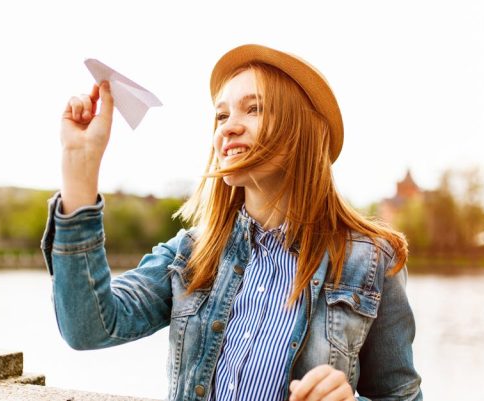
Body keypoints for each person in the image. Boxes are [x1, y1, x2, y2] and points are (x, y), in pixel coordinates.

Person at [41, 44, 422, 401]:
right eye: (222, 115)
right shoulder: (191, 253)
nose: (227, 127)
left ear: (302, 129)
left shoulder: (371, 261)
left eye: (253, 109)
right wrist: (80, 168)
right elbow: (88, 327)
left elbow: (400, 394)